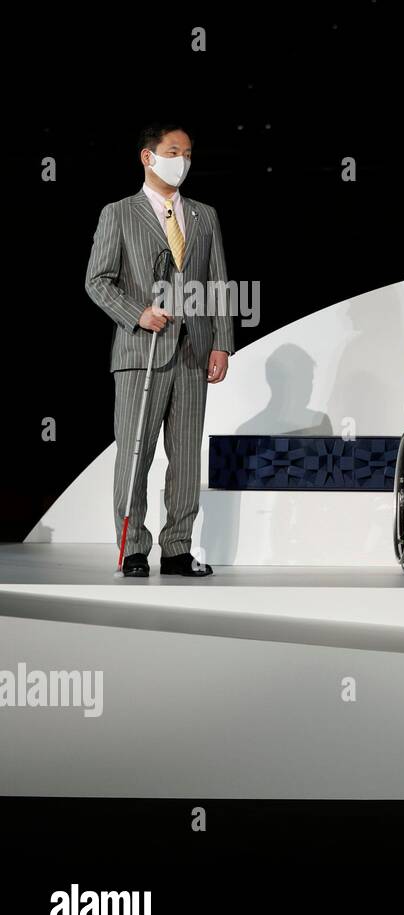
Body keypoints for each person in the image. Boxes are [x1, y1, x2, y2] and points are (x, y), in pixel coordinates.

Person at [85, 123, 234, 578]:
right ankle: (132, 548)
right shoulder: (119, 213)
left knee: (186, 456)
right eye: (174, 151)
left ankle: (177, 548)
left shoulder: (204, 215)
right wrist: (137, 313)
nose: (183, 161)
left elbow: (217, 285)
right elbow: (97, 280)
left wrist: (223, 344)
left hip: (193, 351)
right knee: (135, 452)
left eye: (188, 153)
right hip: (140, 353)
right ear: (148, 157)